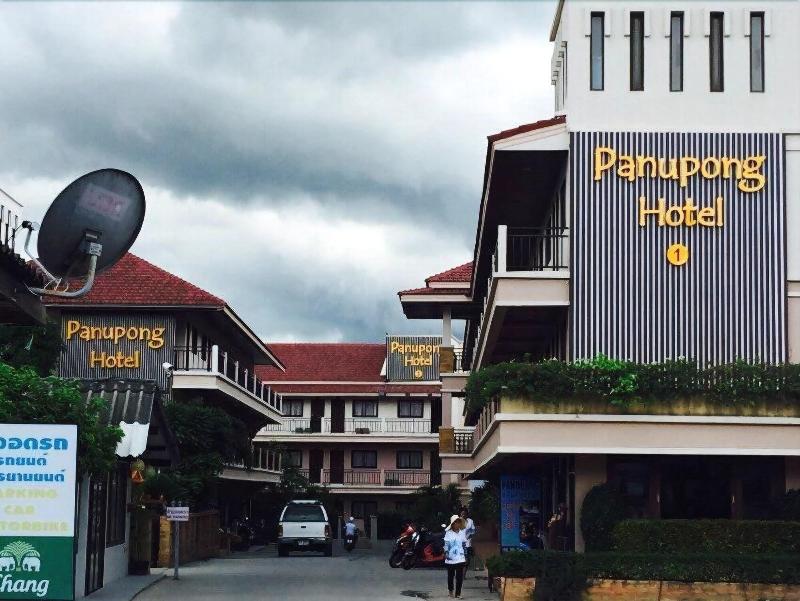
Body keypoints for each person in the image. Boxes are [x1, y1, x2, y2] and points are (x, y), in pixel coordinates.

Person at [444, 514, 467, 599]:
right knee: (451, 576)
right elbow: (446, 544)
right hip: (450, 558)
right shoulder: (448, 533)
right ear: (453, 524)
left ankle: (458, 593)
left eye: (459, 522)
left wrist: (466, 555)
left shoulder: (462, 533)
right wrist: (446, 553)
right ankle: (450, 591)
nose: (458, 524)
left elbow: (464, 545)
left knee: (459, 577)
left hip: (460, 558)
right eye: (456, 522)